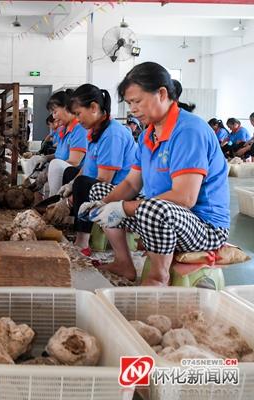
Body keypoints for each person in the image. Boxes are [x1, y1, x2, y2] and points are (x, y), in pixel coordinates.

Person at [80, 62, 229, 286]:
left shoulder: (189, 131)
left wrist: (123, 208)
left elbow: (184, 198)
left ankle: (158, 276)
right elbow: (131, 184)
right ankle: (124, 263)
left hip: (204, 226)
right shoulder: (147, 135)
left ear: (161, 93)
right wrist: (102, 204)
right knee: (100, 190)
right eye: (130, 103)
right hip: (164, 217)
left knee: (152, 208)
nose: (133, 109)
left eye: (137, 101)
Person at [53, 84, 136, 256]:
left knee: (83, 184)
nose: (77, 118)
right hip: (104, 183)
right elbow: (87, 167)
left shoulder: (112, 134)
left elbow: (104, 178)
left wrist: (70, 200)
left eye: (78, 113)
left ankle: (82, 241)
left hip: (121, 188)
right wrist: (70, 184)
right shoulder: (95, 132)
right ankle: (72, 222)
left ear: (93, 108)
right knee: (71, 173)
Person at [46, 89, 88, 196]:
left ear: (66, 107)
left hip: (75, 175)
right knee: (38, 163)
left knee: (55, 165)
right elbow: (59, 155)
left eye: (55, 112)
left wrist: (48, 171)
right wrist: (45, 158)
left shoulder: (79, 129)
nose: (54, 116)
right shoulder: (63, 129)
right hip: (65, 172)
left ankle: (53, 201)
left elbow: (74, 162)